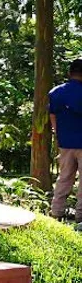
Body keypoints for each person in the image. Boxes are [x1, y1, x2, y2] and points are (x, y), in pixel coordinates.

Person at [49, 58, 82, 225]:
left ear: (70, 73)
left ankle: (56, 211)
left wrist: (58, 135)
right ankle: (80, 216)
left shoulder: (56, 92)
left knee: (64, 178)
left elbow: (52, 116)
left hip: (65, 142)